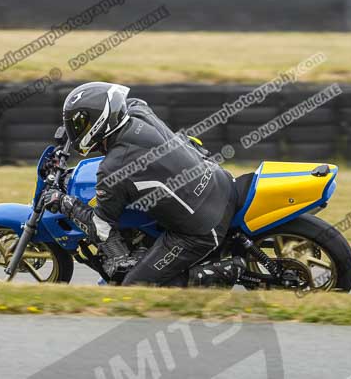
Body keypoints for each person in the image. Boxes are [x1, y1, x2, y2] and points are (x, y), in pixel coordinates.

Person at [41, 81, 245, 287]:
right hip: (220, 181)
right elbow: (129, 103)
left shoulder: (114, 167)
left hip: (202, 228)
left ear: (98, 122)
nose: (75, 130)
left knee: (136, 286)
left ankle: (222, 272)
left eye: (79, 124)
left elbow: (101, 228)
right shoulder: (138, 111)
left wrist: (66, 204)